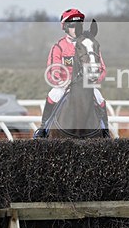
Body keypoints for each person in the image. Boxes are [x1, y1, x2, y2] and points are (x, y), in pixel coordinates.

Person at [33, 8, 108, 138]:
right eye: (73, 25)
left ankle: (105, 131)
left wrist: (95, 79)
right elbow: (52, 68)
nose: (76, 28)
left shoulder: (88, 44)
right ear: (66, 27)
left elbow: (101, 67)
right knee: (53, 94)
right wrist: (61, 81)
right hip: (64, 85)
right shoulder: (59, 46)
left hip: (85, 85)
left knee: (99, 98)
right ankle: (43, 129)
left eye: (79, 25)